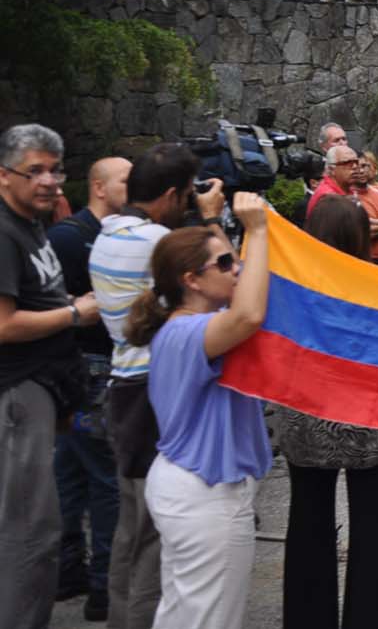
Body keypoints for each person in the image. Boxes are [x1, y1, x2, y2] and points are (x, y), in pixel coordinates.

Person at [89, 142, 224, 629]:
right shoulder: (157, 245)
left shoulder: (108, 233)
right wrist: (211, 221)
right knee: (153, 542)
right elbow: (224, 280)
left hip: (123, 388)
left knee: (132, 531)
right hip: (152, 392)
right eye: (188, 194)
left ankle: (121, 617)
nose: (191, 201)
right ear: (170, 195)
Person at [126, 193, 274, 629]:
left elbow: (234, 290)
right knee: (210, 620)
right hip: (206, 493)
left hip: (186, 484)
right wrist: (258, 230)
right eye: (227, 264)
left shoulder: (187, 321)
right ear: (192, 280)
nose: (238, 268)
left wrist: (213, 220)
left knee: (183, 613)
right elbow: (249, 315)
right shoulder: (192, 332)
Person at [280, 196, 378, 629]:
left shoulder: (292, 291)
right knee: (371, 537)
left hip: (305, 424)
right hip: (369, 426)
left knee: (307, 529)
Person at [0, 125, 102, 629]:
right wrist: (77, 313)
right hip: (16, 394)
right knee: (26, 532)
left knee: (42, 523)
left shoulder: (32, 225)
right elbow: (3, 324)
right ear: (3, 175)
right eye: (34, 170)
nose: (48, 181)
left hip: (44, 393)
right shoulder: (3, 231)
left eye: (54, 170)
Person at [47, 156, 132, 621]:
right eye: (125, 180)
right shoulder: (68, 238)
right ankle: (100, 586)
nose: (133, 186)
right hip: (86, 370)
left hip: (89, 368)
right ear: (99, 187)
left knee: (73, 473)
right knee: (103, 478)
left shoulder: (104, 234)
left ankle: (70, 573)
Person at [350, 152, 378, 266]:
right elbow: (364, 233)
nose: (361, 171)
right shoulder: (348, 198)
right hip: (367, 263)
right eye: (357, 167)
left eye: (364, 166)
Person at [307, 144, 360, 216]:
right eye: (347, 163)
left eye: (356, 162)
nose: (355, 166)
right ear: (332, 169)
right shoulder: (328, 199)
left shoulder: (347, 187)